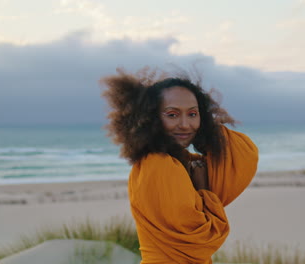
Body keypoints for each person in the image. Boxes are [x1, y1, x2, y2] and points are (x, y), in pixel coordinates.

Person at [102, 68, 258, 264]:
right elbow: (200, 241)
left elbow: (242, 155)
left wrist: (205, 133)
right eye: (172, 115)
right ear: (151, 118)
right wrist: (203, 191)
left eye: (192, 114)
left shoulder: (180, 162)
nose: (185, 124)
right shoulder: (159, 165)